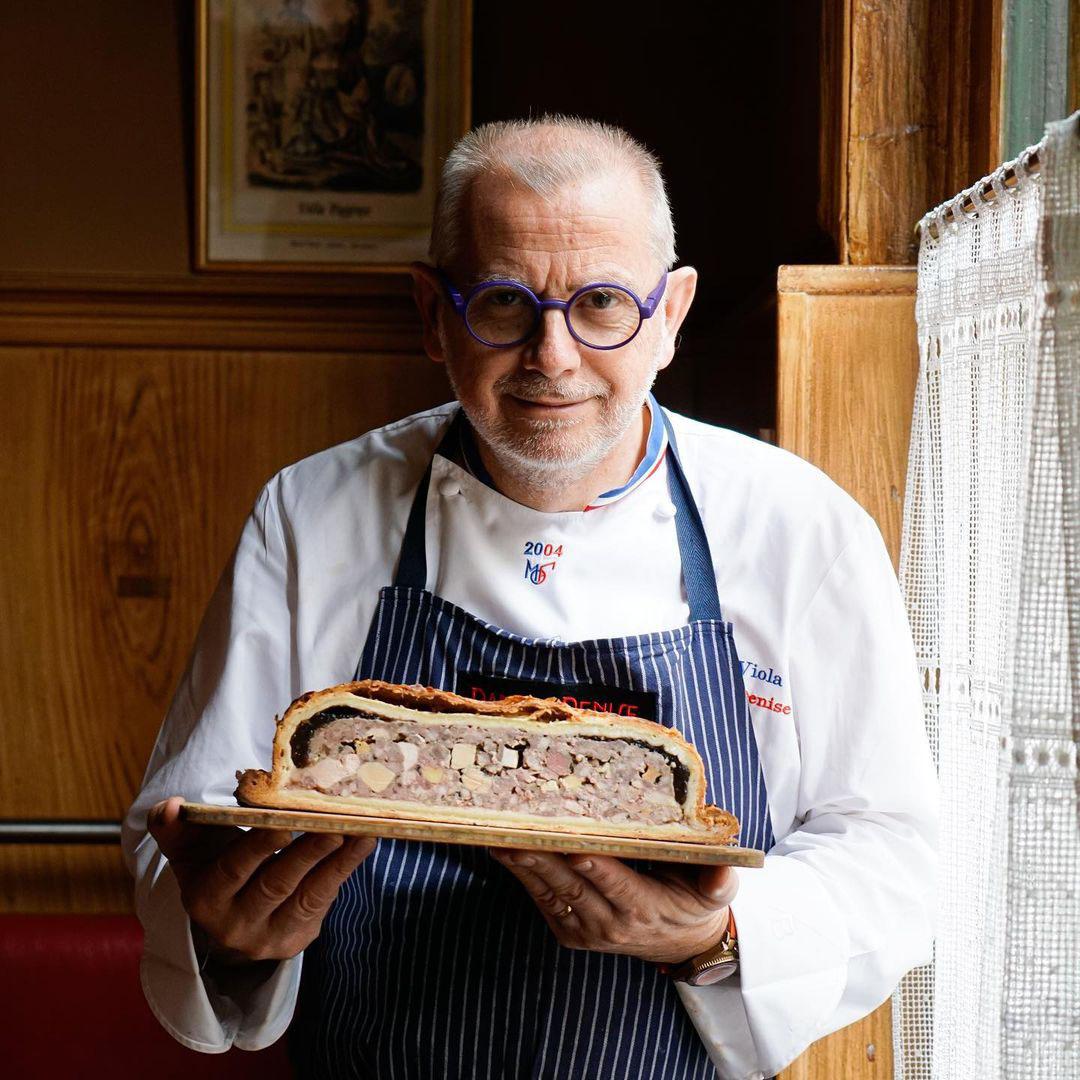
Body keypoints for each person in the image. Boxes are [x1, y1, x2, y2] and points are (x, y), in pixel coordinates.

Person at [123, 116, 937, 1079]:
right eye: (505, 305)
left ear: (670, 316)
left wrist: (714, 936)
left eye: (601, 305)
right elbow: (193, 820)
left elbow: (891, 852)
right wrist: (231, 935)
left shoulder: (802, 529)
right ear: (432, 313)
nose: (552, 357)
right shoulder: (311, 513)